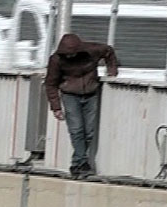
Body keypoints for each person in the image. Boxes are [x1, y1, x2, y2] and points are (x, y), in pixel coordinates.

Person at [45, 33, 119, 177]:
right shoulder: (56, 60)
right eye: (67, 55)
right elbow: (50, 83)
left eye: (72, 54)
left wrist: (112, 70)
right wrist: (56, 107)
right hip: (70, 95)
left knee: (89, 132)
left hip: (91, 93)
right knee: (77, 130)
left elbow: (109, 51)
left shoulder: (92, 50)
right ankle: (83, 163)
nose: (70, 57)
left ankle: (76, 165)